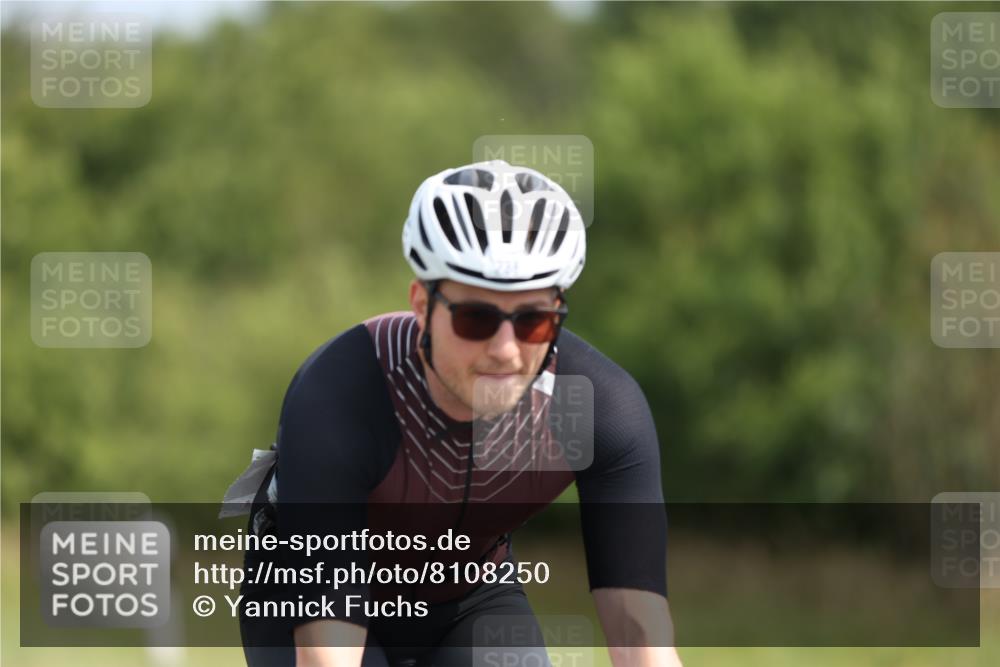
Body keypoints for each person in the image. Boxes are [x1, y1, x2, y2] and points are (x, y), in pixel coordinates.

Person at [233, 160, 683, 666]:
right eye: (476, 318)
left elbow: (642, 640)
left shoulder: (600, 408)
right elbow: (327, 652)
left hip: (472, 596)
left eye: (533, 321)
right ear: (422, 305)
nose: (505, 350)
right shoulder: (340, 395)